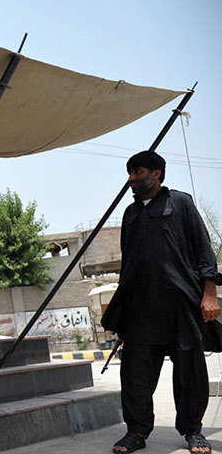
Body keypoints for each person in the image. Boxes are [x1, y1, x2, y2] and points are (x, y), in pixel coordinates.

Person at [102, 151, 219, 454]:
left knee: (189, 374)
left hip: (180, 306)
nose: (131, 178)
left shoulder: (180, 203)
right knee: (135, 375)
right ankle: (137, 432)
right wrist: (122, 311)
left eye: (137, 171)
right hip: (140, 310)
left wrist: (209, 294)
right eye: (129, 172)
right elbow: (129, 266)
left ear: (157, 173)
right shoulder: (130, 214)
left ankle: (193, 431)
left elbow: (204, 251)